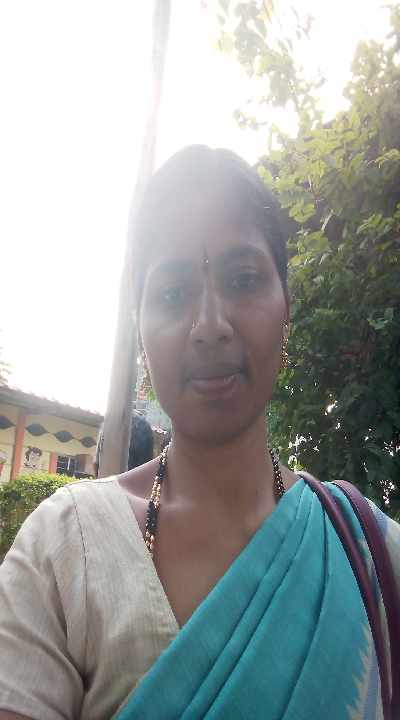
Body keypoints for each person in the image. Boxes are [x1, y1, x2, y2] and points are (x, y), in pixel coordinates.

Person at [0, 145, 399, 720]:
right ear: (140, 331)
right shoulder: (63, 550)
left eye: (243, 279)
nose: (210, 325)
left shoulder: (371, 556)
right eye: (172, 292)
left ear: (286, 307)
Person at [93, 410, 154, 477]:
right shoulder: (144, 426)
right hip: (133, 479)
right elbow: (147, 468)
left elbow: (96, 462)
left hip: (107, 479)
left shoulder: (108, 423)